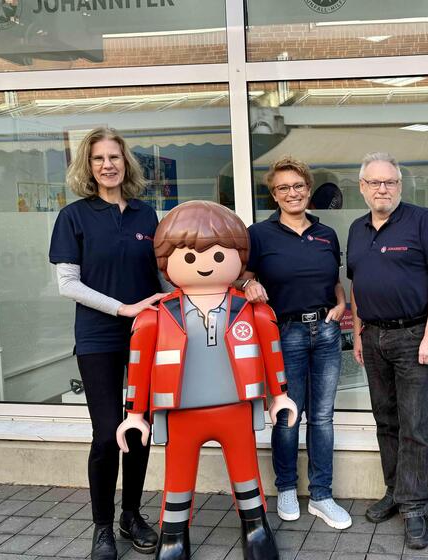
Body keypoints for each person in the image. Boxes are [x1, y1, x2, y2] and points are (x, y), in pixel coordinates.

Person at [116, 200, 298, 560]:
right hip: (181, 412)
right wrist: (134, 414)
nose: (203, 264)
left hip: (236, 408)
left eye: (217, 255)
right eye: (189, 256)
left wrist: (280, 396)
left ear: (239, 258)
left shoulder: (251, 310)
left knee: (246, 472)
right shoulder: (156, 316)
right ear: (166, 260)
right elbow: (138, 365)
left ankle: (255, 527)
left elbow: (272, 351)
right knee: (178, 476)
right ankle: (173, 535)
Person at [48, 127, 168, 560]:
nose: (107, 165)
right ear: (88, 165)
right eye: (98, 158)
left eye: (114, 157)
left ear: (125, 162)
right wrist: (123, 308)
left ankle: (131, 516)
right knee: (105, 435)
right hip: (98, 338)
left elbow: (162, 277)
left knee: (138, 429)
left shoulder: (146, 216)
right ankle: (102, 527)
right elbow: (67, 284)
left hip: (145, 338)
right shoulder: (74, 217)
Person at [347, 152, 428, 549]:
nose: (383, 189)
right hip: (373, 337)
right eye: (375, 182)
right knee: (385, 419)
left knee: (414, 426)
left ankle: (414, 506)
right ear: (362, 187)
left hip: (413, 338)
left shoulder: (422, 221)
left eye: (390, 182)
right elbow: (357, 284)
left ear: (400, 186)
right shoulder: (357, 229)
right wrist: (358, 332)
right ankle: (394, 491)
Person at [239, 156, 351, 529]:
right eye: (283, 188)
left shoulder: (326, 234)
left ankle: (321, 495)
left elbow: (332, 280)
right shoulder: (259, 234)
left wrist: (341, 303)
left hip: (327, 332)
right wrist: (248, 284)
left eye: (298, 186)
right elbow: (242, 276)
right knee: (287, 415)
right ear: (274, 195)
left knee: (322, 417)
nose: (292, 193)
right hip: (284, 334)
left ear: (308, 189)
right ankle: (286, 487)